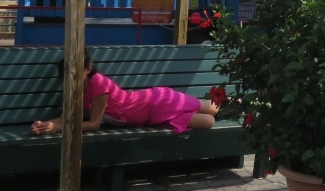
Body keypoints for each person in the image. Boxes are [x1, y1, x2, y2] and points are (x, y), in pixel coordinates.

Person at [29, 50, 220, 136]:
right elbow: (64, 118)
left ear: (87, 69)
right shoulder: (75, 91)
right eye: (67, 74)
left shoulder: (97, 82)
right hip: (151, 118)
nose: (71, 78)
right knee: (208, 121)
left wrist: (58, 128)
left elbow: (94, 124)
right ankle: (217, 107)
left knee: (212, 108)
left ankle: (231, 102)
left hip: (157, 101)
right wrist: (45, 125)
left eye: (75, 72)